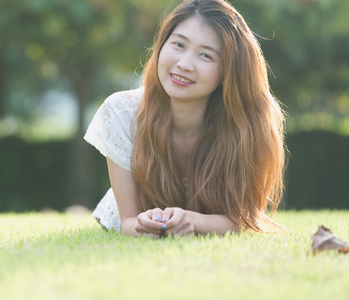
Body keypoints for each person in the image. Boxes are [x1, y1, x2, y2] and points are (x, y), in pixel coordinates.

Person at [84, 0, 286, 237]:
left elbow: (245, 219)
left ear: (228, 71)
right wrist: (146, 225)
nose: (184, 64)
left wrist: (191, 219)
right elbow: (128, 220)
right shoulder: (122, 113)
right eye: (179, 44)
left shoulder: (251, 121)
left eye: (206, 55)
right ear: (161, 45)